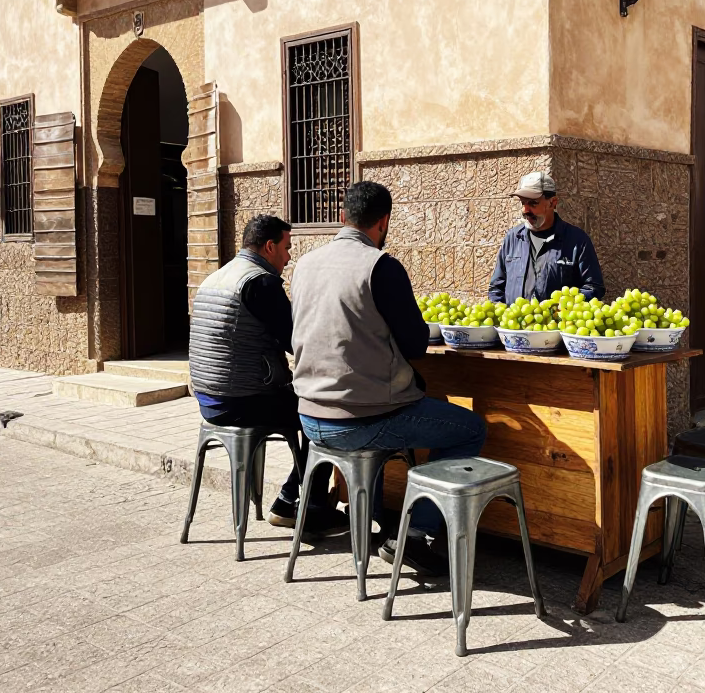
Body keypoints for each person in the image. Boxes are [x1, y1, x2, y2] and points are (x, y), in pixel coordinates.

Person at [291, 181, 487, 577]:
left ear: (342, 217)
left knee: (421, 415)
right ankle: (419, 533)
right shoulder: (381, 266)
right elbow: (415, 343)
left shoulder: (303, 264)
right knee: (468, 429)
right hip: (363, 419)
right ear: (383, 222)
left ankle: (381, 516)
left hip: (309, 417)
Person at [189, 214, 345, 535]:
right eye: (287, 248)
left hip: (208, 400)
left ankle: (290, 499)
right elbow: (295, 342)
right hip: (245, 399)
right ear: (269, 246)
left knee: (313, 411)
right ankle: (305, 505)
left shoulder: (215, 277)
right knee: (327, 414)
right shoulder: (260, 281)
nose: (289, 258)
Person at [488, 171, 605, 304]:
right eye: (522, 203)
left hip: (556, 324)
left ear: (553, 202)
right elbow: (496, 288)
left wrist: (564, 306)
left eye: (533, 203)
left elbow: (594, 287)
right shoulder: (513, 238)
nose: (525, 210)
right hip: (514, 324)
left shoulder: (577, 241)